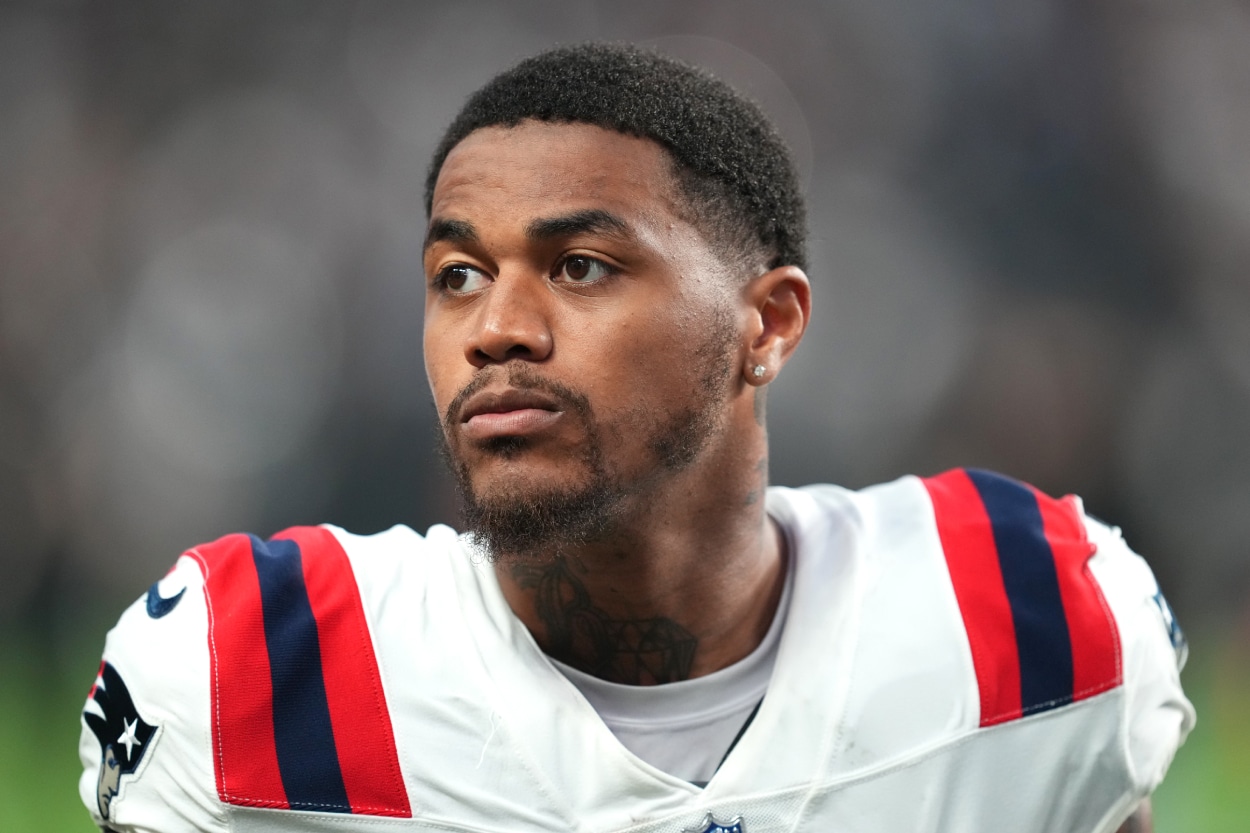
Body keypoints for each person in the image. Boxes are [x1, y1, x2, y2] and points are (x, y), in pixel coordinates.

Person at [79, 43, 1193, 833]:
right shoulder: (254, 671)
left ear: (767, 324)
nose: (496, 330)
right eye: (456, 276)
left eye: (580, 267)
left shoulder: (1019, 613)